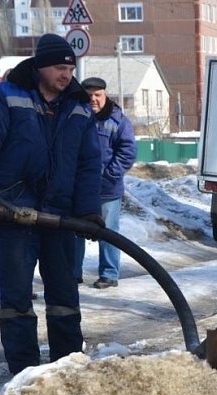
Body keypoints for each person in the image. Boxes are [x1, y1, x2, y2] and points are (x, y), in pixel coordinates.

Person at [0, 34, 104, 374]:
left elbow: (88, 163)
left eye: (70, 67)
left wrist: (88, 210)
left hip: (60, 215)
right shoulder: (6, 96)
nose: (66, 74)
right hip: (13, 211)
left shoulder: (79, 106)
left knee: (65, 296)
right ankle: (23, 372)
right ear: (40, 66)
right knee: (16, 299)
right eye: (58, 67)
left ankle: (68, 367)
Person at [73, 76, 137, 289]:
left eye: (97, 95)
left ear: (105, 95)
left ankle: (109, 274)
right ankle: (73, 273)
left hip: (106, 190)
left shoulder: (118, 120)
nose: (93, 99)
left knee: (108, 232)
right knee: (74, 231)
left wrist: (108, 176)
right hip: (77, 188)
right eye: (89, 95)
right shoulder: (74, 116)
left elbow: (127, 152)